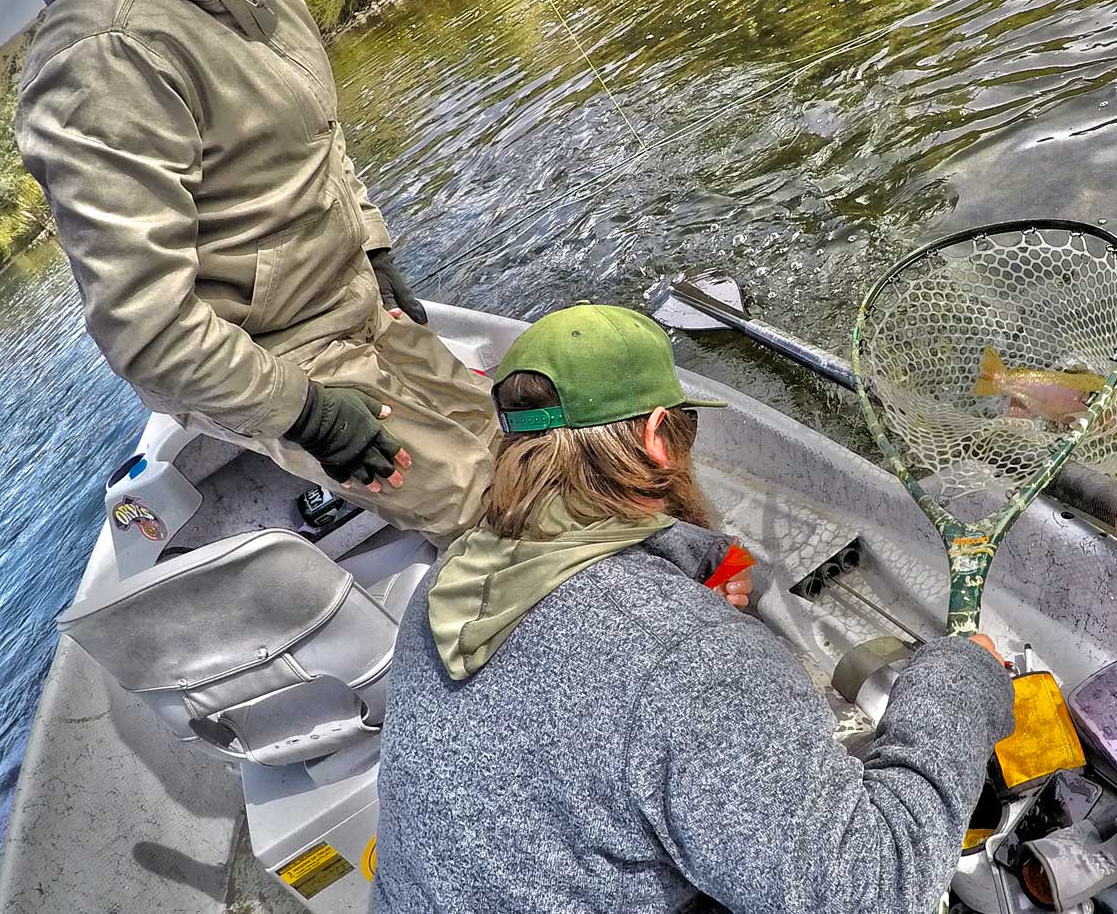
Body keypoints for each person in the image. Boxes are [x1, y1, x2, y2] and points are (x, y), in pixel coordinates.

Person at [372, 304, 1016, 913]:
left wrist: (676, 583)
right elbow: (870, 889)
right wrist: (959, 683)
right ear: (658, 438)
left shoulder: (446, 589)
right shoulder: (691, 659)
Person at [13, 0, 495, 544]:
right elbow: (148, 329)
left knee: (507, 444)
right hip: (281, 358)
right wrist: (301, 411)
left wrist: (371, 240)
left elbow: (319, 129)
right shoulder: (100, 60)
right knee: (491, 510)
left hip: (356, 300)